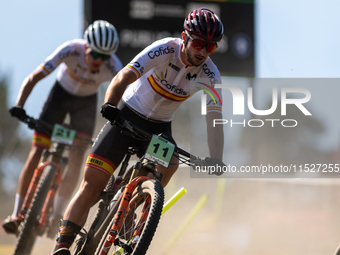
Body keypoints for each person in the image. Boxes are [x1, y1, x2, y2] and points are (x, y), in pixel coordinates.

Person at [52, 8, 225, 255]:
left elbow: (214, 118)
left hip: (159, 128)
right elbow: (124, 75)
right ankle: (62, 246)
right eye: (198, 44)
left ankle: (136, 207)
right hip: (128, 114)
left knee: (172, 161)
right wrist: (110, 104)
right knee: (91, 185)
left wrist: (216, 157)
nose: (202, 52)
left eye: (210, 47)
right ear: (184, 37)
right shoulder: (165, 49)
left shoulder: (211, 75)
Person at [2, 20, 123, 236]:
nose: (99, 61)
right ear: (86, 47)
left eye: (105, 57)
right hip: (59, 97)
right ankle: (17, 213)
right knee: (37, 150)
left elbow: (125, 95)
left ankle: (58, 215)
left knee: (78, 157)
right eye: (96, 54)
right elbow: (35, 76)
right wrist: (19, 105)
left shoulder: (114, 66)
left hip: (85, 105)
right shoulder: (70, 50)